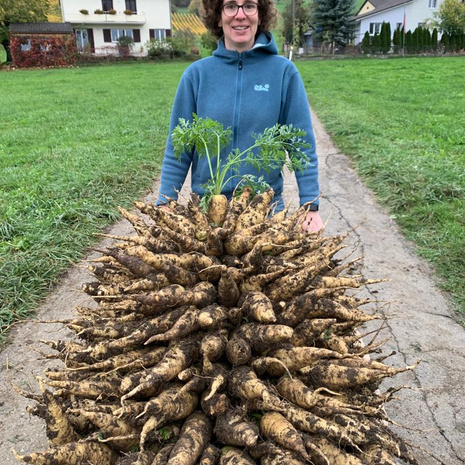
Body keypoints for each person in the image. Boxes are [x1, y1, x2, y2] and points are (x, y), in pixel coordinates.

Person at [157, 0, 323, 232]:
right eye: (231, 6)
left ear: (260, 15)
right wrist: (165, 203)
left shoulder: (284, 72)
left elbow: (301, 143)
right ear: (218, 17)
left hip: (264, 212)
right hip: (207, 212)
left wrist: (310, 206)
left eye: (249, 6)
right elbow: (178, 147)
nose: (240, 14)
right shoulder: (196, 75)